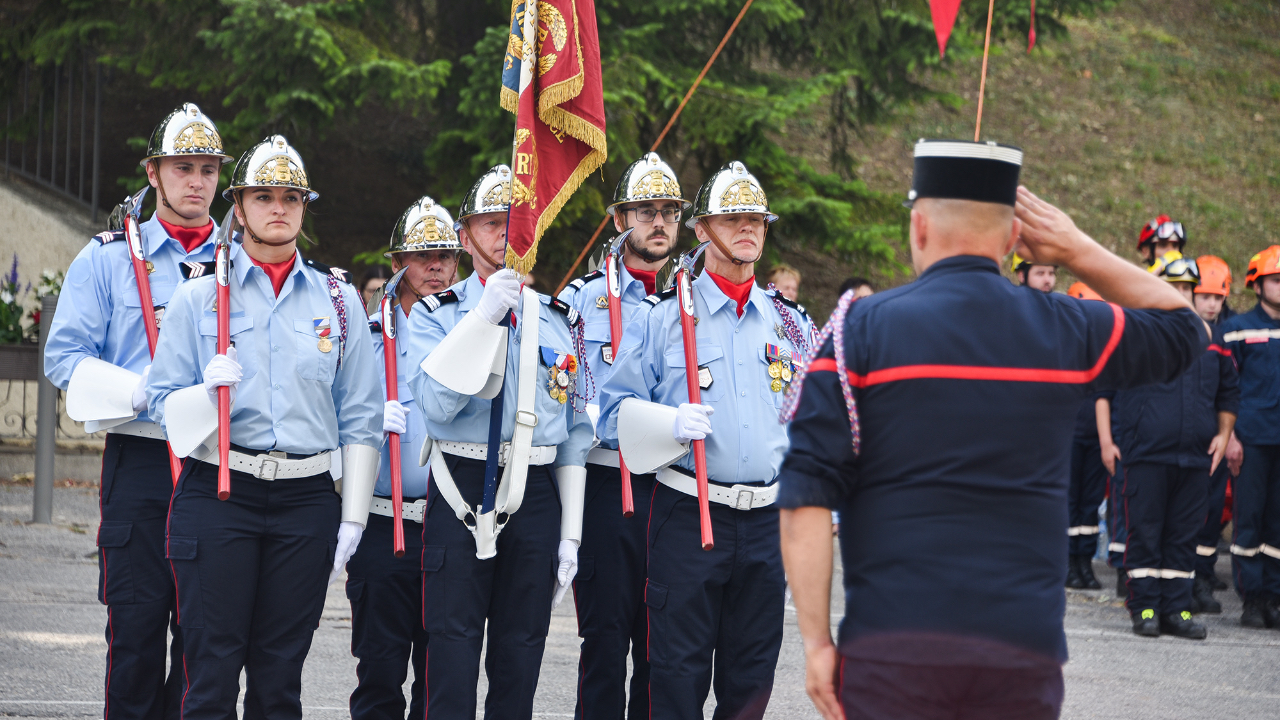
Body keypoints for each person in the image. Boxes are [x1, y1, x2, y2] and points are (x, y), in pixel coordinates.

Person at [777, 139, 1207, 720]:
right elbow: (1185, 331)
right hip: (1020, 656)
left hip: (891, 652)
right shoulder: (1066, 328)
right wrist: (1077, 248)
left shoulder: (858, 330)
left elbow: (804, 497)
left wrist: (816, 643)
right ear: (1014, 242)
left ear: (919, 226)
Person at [146, 134, 383, 719]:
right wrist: (203, 396)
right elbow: (159, 401)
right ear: (241, 206)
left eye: (291, 197)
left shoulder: (339, 300)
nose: (278, 208)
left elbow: (360, 414)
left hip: (305, 497)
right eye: (264, 196)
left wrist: (353, 514)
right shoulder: (201, 294)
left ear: (304, 208)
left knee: (280, 679)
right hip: (221, 487)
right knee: (212, 675)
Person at [598, 160, 815, 720]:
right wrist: (667, 423)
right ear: (702, 230)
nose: (748, 229)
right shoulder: (665, 317)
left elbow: (811, 419)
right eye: (733, 218)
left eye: (756, 220)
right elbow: (610, 415)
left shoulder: (786, 323)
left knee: (751, 681)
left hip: (767, 521)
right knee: (675, 677)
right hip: (690, 513)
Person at [42, 102, 232, 720]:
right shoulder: (106, 258)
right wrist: (136, 391)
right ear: (153, 173)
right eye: (183, 168)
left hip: (213, 463)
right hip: (142, 460)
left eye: (208, 169)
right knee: (136, 641)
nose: (197, 182)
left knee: (207, 647)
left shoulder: (243, 263)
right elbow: (64, 357)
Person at [404, 165, 594, 719]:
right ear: (465, 237)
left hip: (534, 492)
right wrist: (483, 318)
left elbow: (575, 434)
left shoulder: (557, 319)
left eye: (516, 223)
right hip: (462, 482)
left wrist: (572, 535)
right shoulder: (436, 317)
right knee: (452, 654)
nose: (505, 235)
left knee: (521, 655)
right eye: (491, 224)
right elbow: (437, 409)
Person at [557, 151, 687, 719]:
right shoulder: (583, 301)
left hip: (675, 490)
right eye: (645, 210)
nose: (658, 222)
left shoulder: (692, 300)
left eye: (669, 212)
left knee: (665, 646)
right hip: (609, 487)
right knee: (605, 642)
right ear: (618, 220)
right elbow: (561, 396)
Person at [346, 196, 461, 720]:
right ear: (396, 264)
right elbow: (331, 417)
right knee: (379, 673)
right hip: (382, 522)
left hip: (450, 525)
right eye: (422, 255)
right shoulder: (366, 337)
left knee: (442, 682)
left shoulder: (471, 336)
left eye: (445, 255)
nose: (436, 266)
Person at [1106, 253, 1237, 638]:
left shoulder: (1213, 339)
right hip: (1147, 452)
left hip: (1194, 457)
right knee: (1144, 533)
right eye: (1173, 287)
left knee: (1183, 535)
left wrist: (1224, 433)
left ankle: (1176, 609)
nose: (1181, 295)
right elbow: (1109, 388)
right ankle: (1144, 607)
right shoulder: (1137, 331)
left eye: (1186, 289)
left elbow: (1229, 393)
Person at [1222, 244, 1280, 629]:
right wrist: (1229, 437)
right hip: (1251, 440)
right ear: (1256, 285)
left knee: (1277, 525)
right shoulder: (1236, 328)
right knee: (1249, 522)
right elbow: (1225, 389)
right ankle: (1251, 599)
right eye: (1276, 280)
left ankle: (1274, 596)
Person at [1191, 254, 1235, 610]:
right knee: (1180, 515)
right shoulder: (1175, 336)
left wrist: (1224, 433)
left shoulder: (1224, 341)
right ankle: (1178, 580)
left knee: (1210, 512)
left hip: (1211, 442)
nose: (1211, 303)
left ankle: (1202, 578)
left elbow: (1228, 393)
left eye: (1217, 297)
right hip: (1181, 441)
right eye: (1204, 295)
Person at [1063, 284, 1108, 590]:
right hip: (1067, 439)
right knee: (1068, 502)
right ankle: (1066, 564)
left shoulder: (1103, 354)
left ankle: (1085, 563)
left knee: (1089, 505)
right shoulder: (1060, 351)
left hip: (1094, 440)